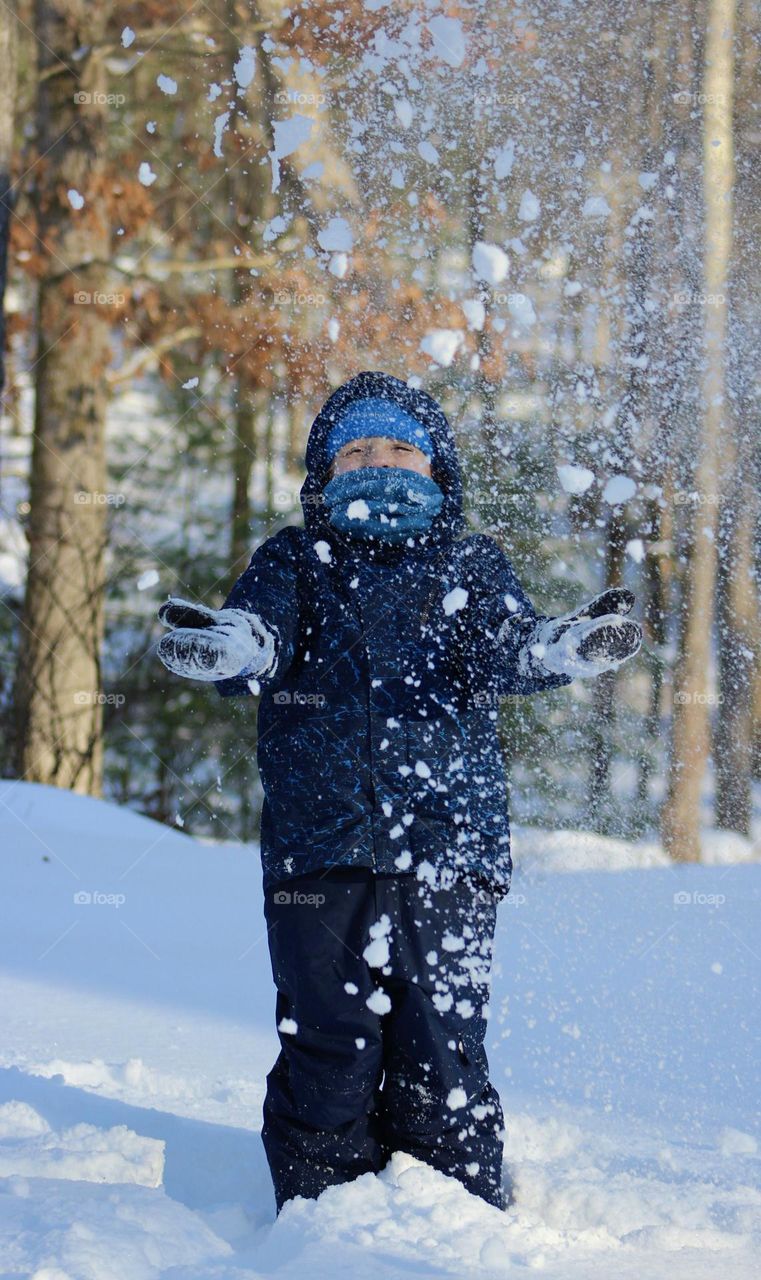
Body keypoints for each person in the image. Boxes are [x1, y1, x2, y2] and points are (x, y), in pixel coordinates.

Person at [156, 371, 641, 1213]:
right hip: (321, 850)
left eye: (397, 446)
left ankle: (450, 1222)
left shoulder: (467, 562)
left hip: (448, 848)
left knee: (441, 1049)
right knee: (328, 1041)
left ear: (436, 470)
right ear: (323, 474)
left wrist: (563, 646)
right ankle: (322, 1221)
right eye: (354, 448)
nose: (376, 461)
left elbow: (506, 647)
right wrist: (226, 645)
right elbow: (258, 636)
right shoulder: (295, 559)